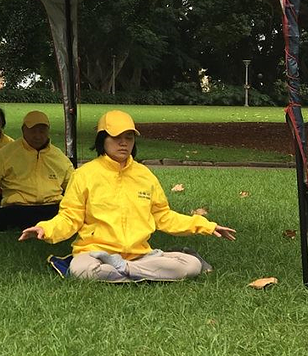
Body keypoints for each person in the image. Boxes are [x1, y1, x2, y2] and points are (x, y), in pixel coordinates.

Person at [20, 110, 237, 282]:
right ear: (102, 140)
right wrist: (45, 228)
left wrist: (207, 226)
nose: (123, 143)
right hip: (95, 253)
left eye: (129, 137)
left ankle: (125, 270)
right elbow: (70, 217)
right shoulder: (84, 175)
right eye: (116, 137)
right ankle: (140, 272)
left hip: (139, 254)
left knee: (191, 265)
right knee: (81, 269)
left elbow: (164, 217)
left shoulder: (145, 175)